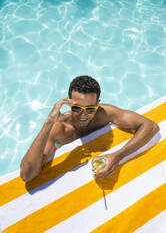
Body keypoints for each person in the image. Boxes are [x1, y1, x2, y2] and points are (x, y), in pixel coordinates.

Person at [20, 75, 159, 182]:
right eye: (77, 108)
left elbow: (150, 126)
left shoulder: (105, 113)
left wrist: (117, 156)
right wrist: (48, 122)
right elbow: (27, 175)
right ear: (69, 104)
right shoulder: (59, 129)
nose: (83, 115)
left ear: (98, 104)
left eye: (90, 109)